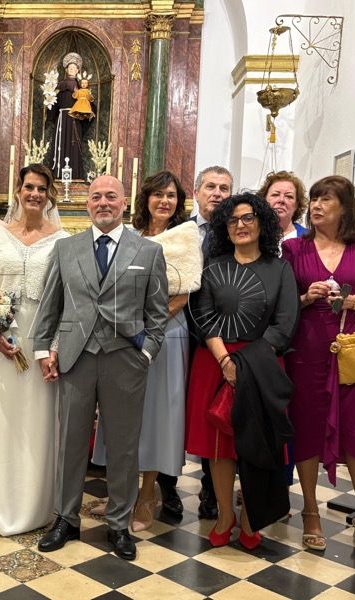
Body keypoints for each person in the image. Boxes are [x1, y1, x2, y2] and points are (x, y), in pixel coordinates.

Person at [31, 175, 169, 561]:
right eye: (96, 197)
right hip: (76, 356)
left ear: (124, 202)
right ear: (87, 203)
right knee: (70, 442)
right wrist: (42, 349)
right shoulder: (66, 248)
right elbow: (51, 303)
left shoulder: (148, 251)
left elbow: (157, 312)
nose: (103, 202)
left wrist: (147, 353)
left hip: (126, 358)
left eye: (111, 196)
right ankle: (66, 518)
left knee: (123, 446)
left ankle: (119, 524)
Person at [282, 175, 355, 557]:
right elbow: (284, 303)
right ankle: (310, 512)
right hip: (307, 351)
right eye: (313, 199)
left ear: (344, 207)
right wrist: (304, 297)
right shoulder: (294, 248)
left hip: (351, 352)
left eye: (325, 199)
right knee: (308, 430)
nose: (316, 205)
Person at [185, 192, 299, 550]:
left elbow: (285, 324)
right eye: (233, 220)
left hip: (262, 363)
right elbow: (203, 316)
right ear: (224, 227)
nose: (240, 225)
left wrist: (245, 364)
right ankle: (225, 515)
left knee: (257, 444)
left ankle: (252, 517)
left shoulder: (280, 269)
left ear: (262, 223)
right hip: (215, 362)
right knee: (219, 447)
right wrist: (225, 361)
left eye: (248, 218)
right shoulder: (212, 267)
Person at [0, 164, 69, 540]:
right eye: (29, 187)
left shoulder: (62, 241)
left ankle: (33, 506)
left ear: (49, 195)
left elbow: (65, 299)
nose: (34, 194)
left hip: (40, 341)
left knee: (35, 424)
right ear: (18, 191)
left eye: (42, 188)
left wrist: (53, 348)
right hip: (0, 341)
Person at [91, 171, 196, 530]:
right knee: (120, 412)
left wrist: (146, 324)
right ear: (145, 199)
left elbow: (183, 294)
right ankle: (121, 493)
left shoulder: (185, 237)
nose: (164, 201)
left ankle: (148, 494)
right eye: (157, 194)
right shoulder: (129, 236)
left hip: (166, 333)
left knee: (157, 414)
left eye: (171, 195)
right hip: (125, 333)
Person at [186, 165, 234, 520]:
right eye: (211, 187)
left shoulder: (234, 233)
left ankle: (211, 490)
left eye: (224, 188)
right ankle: (166, 486)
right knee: (177, 409)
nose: (217, 193)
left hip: (217, 335)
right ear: (197, 191)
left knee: (214, 412)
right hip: (179, 331)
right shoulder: (182, 230)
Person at [48, 53, 89, 179]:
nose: (72, 70)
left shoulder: (81, 87)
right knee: (61, 142)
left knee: (75, 144)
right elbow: (53, 103)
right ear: (66, 70)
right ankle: (58, 173)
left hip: (75, 118)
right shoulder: (60, 85)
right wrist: (49, 104)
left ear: (78, 71)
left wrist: (86, 113)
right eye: (69, 68)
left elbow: (87, 103)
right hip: (62, 118)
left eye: (74, 68)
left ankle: (75, 175)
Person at [258, 170, 309, 240]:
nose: (281, 200)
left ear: (297, 205)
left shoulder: (311, 239)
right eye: (275, 195)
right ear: (263, 200)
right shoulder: (251, 236)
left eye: (289, 196)